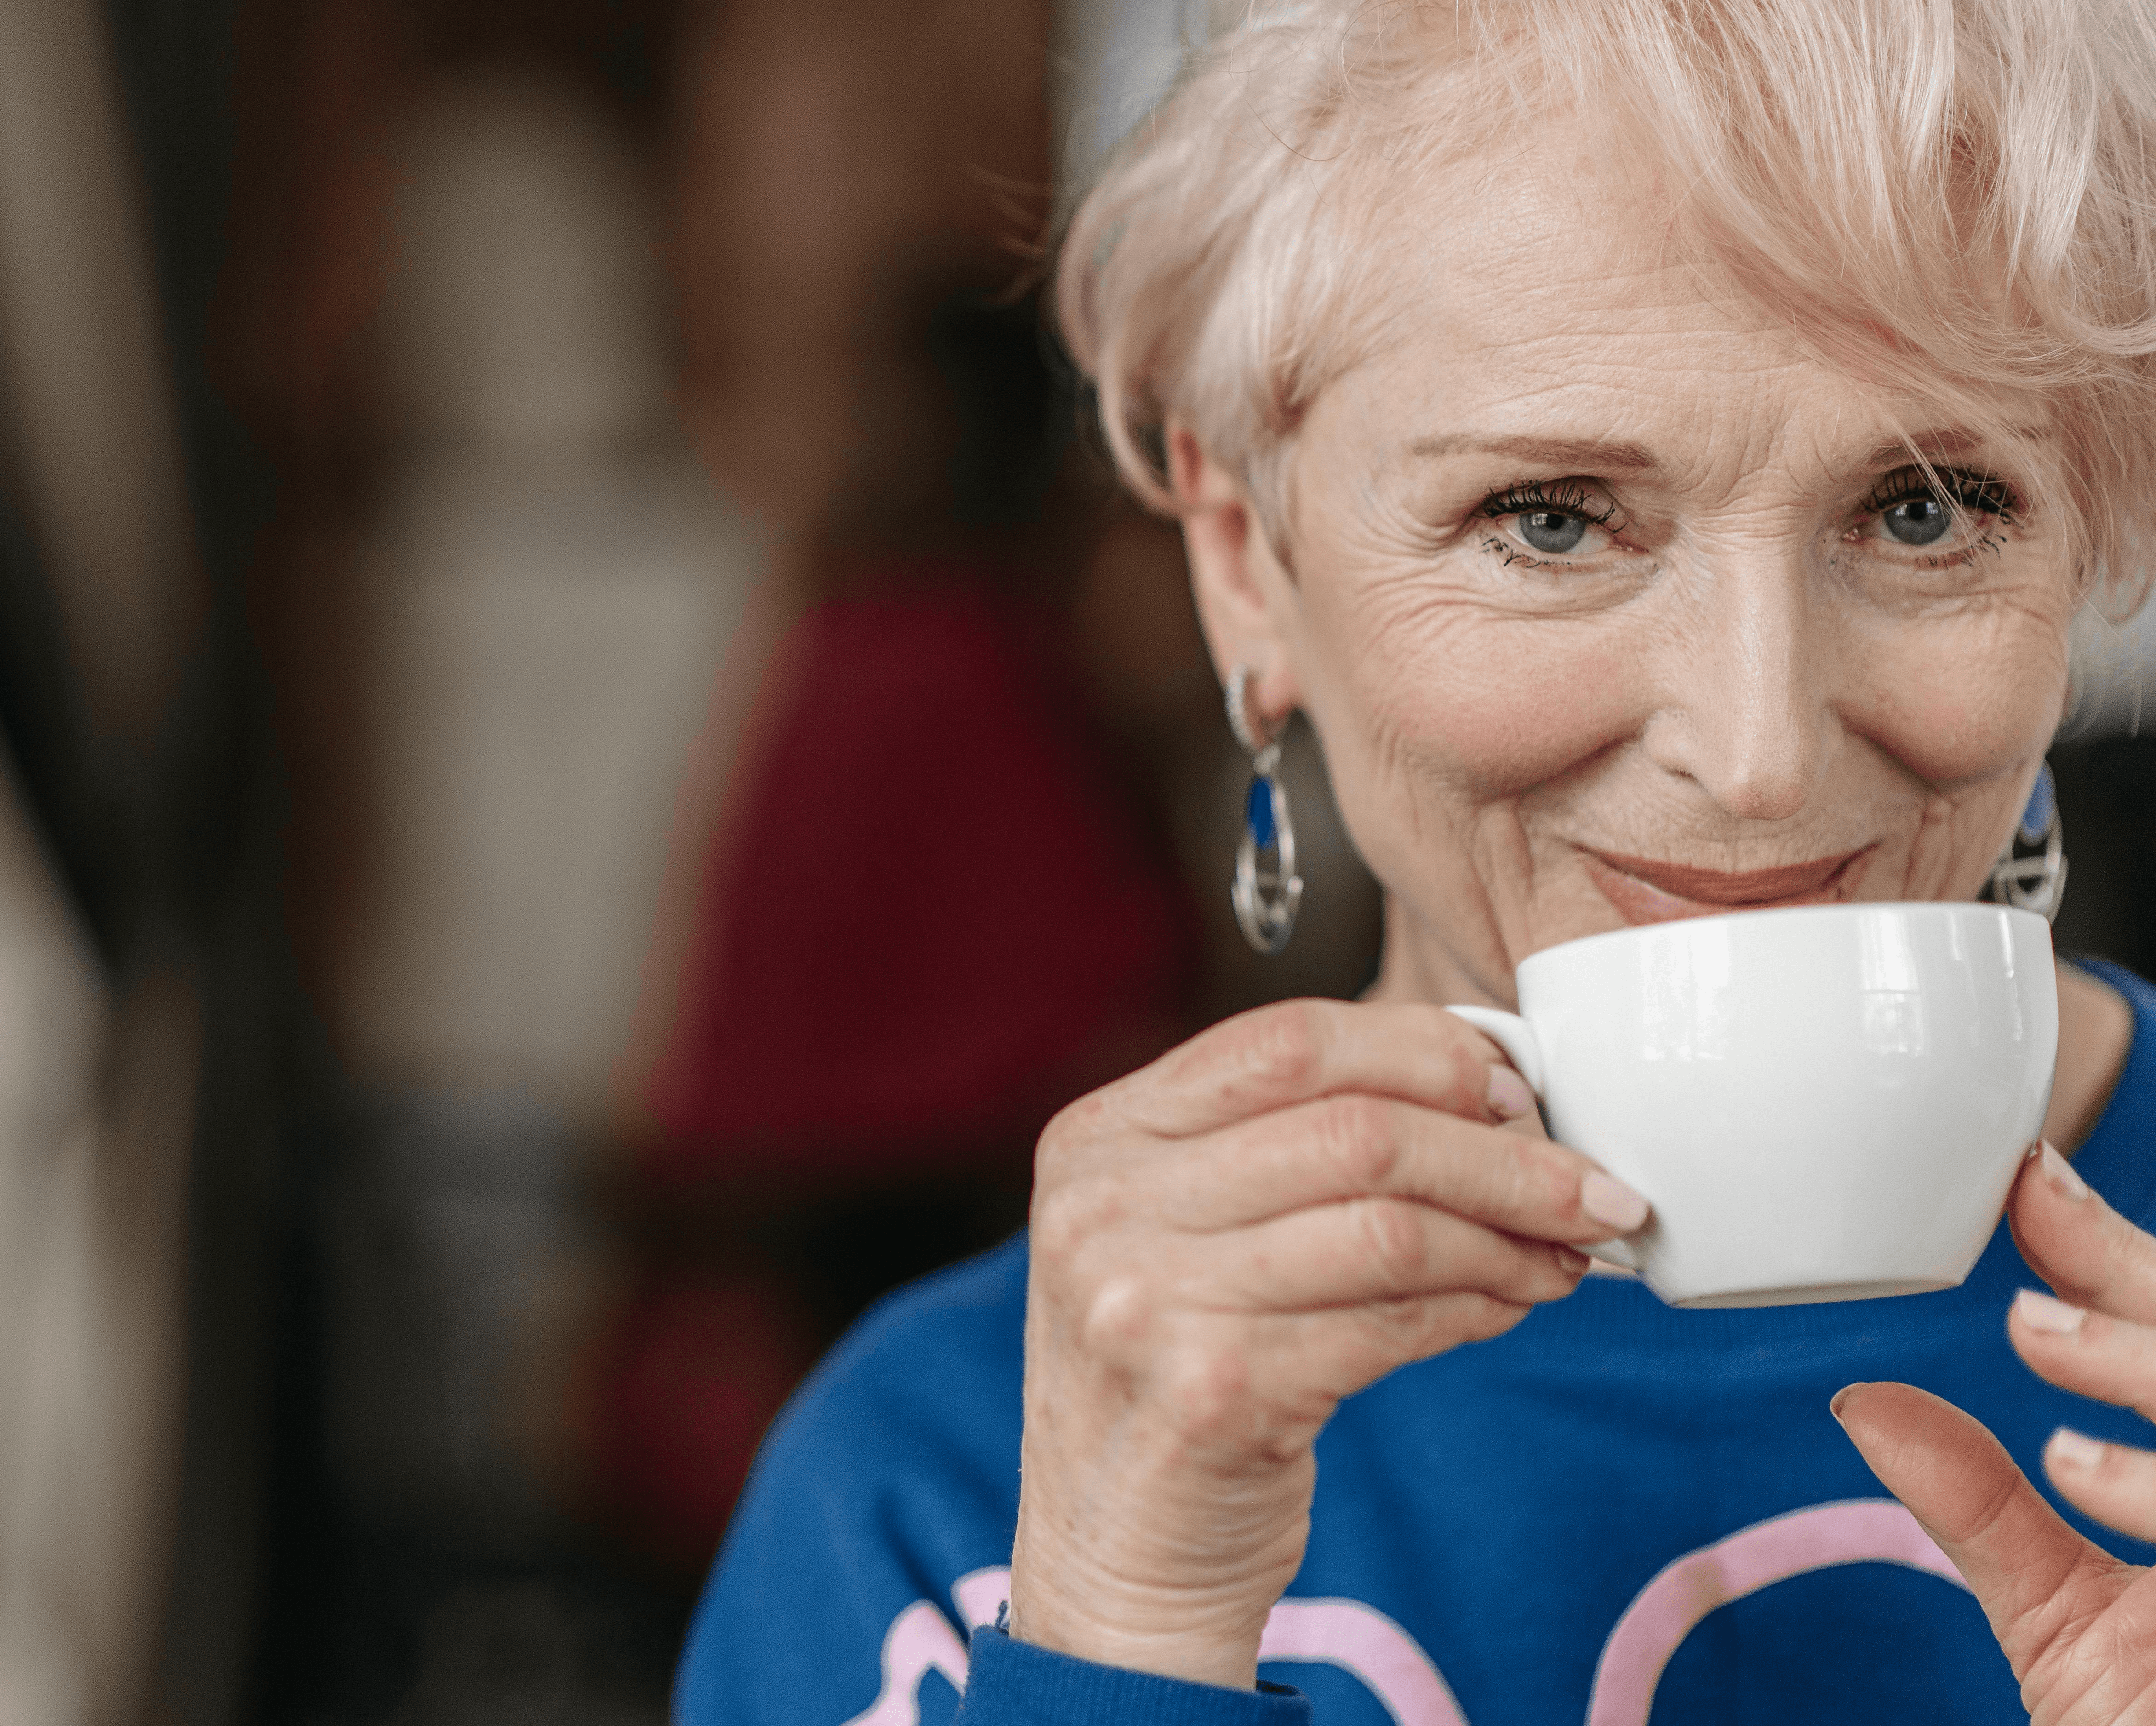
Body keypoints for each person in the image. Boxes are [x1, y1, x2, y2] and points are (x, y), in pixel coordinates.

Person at [675, 1, 2156, 1719]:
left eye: (1928, 510)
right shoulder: (943, 1492)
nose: (1759, 757)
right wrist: (1123, 1624)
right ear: (1246, 566)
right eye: (1550, 518)